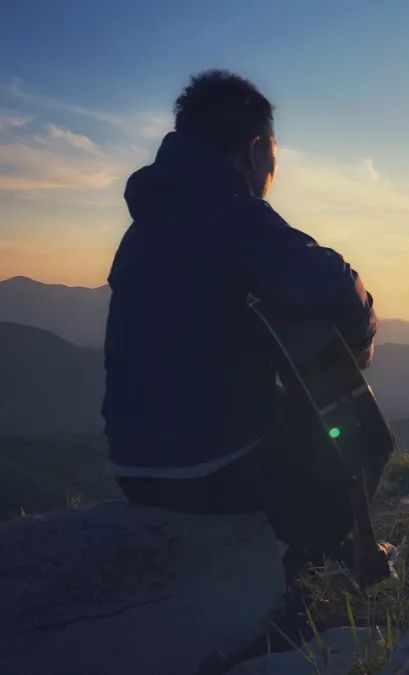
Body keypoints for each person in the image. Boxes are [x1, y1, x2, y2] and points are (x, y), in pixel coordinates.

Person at [102, 70, 382, 571]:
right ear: (255, 150)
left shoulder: (144, 227)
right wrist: (361, 343)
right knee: (346, 402)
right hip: (214, 470)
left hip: (133, 466)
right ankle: (318, 555)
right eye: (274, 156)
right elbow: (336, 286)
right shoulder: (234, 215)